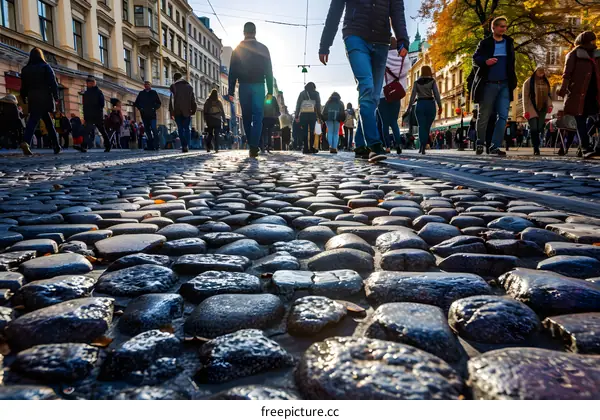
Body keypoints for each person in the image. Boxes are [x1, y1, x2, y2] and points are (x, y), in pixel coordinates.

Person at [319, 0, 409, 162]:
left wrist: (403, 39)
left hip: (382, 41)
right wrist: (325, 44)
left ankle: (360, 144)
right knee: (367, 88)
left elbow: (397, 11)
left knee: (373, 97)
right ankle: (374, 144)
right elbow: (335, 10)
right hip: (355, 36)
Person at [471, 16, 517, 157]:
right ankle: (480, 142)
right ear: (494, 28)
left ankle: (494, 146)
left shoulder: (509, 43)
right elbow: (475, 59)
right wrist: (486, 61)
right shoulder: (485, 43)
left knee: (503, 116)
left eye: (505, 26)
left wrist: (512, 82)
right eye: (501, 26)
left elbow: (511, 63)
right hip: (488, 84)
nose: (504, 29)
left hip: (504, 85)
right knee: (483, 115)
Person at [228, 22, 274, 158]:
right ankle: (254, 146)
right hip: (259, 85)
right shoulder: (263, 48)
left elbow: (232, 72)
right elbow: (269, 71)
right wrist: (270, 91)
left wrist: (231, 91)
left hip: (244, 86)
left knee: (246, 117)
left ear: (244, 32)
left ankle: (252, 145)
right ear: (255, 32)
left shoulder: (237, 49)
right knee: (258, 117)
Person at [559, 31, 600, 158]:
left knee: (596, 120)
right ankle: (585, 147)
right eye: (591, 40)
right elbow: (567, 74)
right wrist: (563, 89)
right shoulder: (574, 55)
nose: (593, 43)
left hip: (595, 93)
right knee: (581, 121)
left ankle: (594, 146)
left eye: (594, 40)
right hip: (579, 93)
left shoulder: (597, 55)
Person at [19, 48, 61, 155]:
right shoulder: (46, 67)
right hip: (45, 97)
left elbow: (23, 86)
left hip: (33, 97)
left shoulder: (25, 69)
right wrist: (56, 97)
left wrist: (23, 96)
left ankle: (26, 141)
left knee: (33, 121)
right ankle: (56, 146)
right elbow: (53, 83)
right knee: (48, 123)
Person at [377, 37, 406, 155]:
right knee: (394, 121)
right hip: (396, 93)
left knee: (384, 123)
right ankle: (398, 144)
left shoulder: (381, 58)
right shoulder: (401, 58)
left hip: (382, 94)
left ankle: (387, 146)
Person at [407, 66, 442, 155]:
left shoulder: (416, 82)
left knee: (421, 126)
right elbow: (436, 94)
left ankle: (422, 146)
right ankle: (423, 145)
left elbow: (412, 96)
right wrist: (440, 106)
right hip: (430, 104)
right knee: (427, 127)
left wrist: (409, 107)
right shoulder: (432, 81)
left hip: (420, 104)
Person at [77, 75, 111, 152]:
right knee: (86, 131)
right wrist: (85, 117)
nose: (88, 84)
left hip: (97, 115)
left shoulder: (99, 92)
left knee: (102, 131)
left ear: (93, 83)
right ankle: (84, 146)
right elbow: (84, 106)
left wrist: (98, 111)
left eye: (89, 82)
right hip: (89, 116)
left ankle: (108, 145)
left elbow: (102, 104)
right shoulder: (86, 93)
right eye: (87, 83)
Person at [169, 72, 197, 153]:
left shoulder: (173, 86)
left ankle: (184, 145)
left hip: (177, 111)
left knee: (180, 129)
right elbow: (193, 100)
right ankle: (187, 145)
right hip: (187, 111)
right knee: (187, 129)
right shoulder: (189, 87)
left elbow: (171, 101)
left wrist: (171, 112)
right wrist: (193, 110)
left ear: (174, 79)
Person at [295, 82, 322, 154]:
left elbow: (298, 104)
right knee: (312, 131)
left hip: (303, 114)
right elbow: (318, 105)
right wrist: (319, 115)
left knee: (304, 132)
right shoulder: (316, 93)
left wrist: (297, 115)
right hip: (313, 115)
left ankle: (305, 148)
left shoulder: (302, 93)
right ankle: (312, 147)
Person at [134, 81, 162, 151]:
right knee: (147, 130)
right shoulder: (141, 93)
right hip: (144, 115)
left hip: (152, 115)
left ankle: (157, 144)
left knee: (154, 128)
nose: (147, 85)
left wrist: (154, 108)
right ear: (144, 85)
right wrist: (141, 108)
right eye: (145, 84)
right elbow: (136, 103)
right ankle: (150, 145)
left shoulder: (154, 92)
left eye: (148, 84)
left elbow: (159, 103)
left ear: (150, 85)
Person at [203, 88, 225, 153]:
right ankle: (216, 148)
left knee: (210, 134)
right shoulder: (219, 102)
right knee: (217, 134)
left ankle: (208, 147)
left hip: (210, 119)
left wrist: (205, 119)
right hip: (217, 119)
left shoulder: (207, 102)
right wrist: (224, 120)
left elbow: (205, 111)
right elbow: (222, 112)